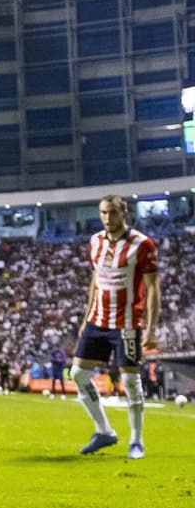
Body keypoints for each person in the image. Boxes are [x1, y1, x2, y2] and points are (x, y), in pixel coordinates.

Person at [72, 195, 159, 459]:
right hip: (97, 320)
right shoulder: (95, 241)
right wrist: (86, 317)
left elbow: (153, 288)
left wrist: (151, 329)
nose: (107, 218)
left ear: (124, 213)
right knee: (78, 374)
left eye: (112, 212)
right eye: (103, 213)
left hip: (127, 323)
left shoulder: (142, 244)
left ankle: (136, 441)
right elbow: (95, 280)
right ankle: (104, 431)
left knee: (130, 380)